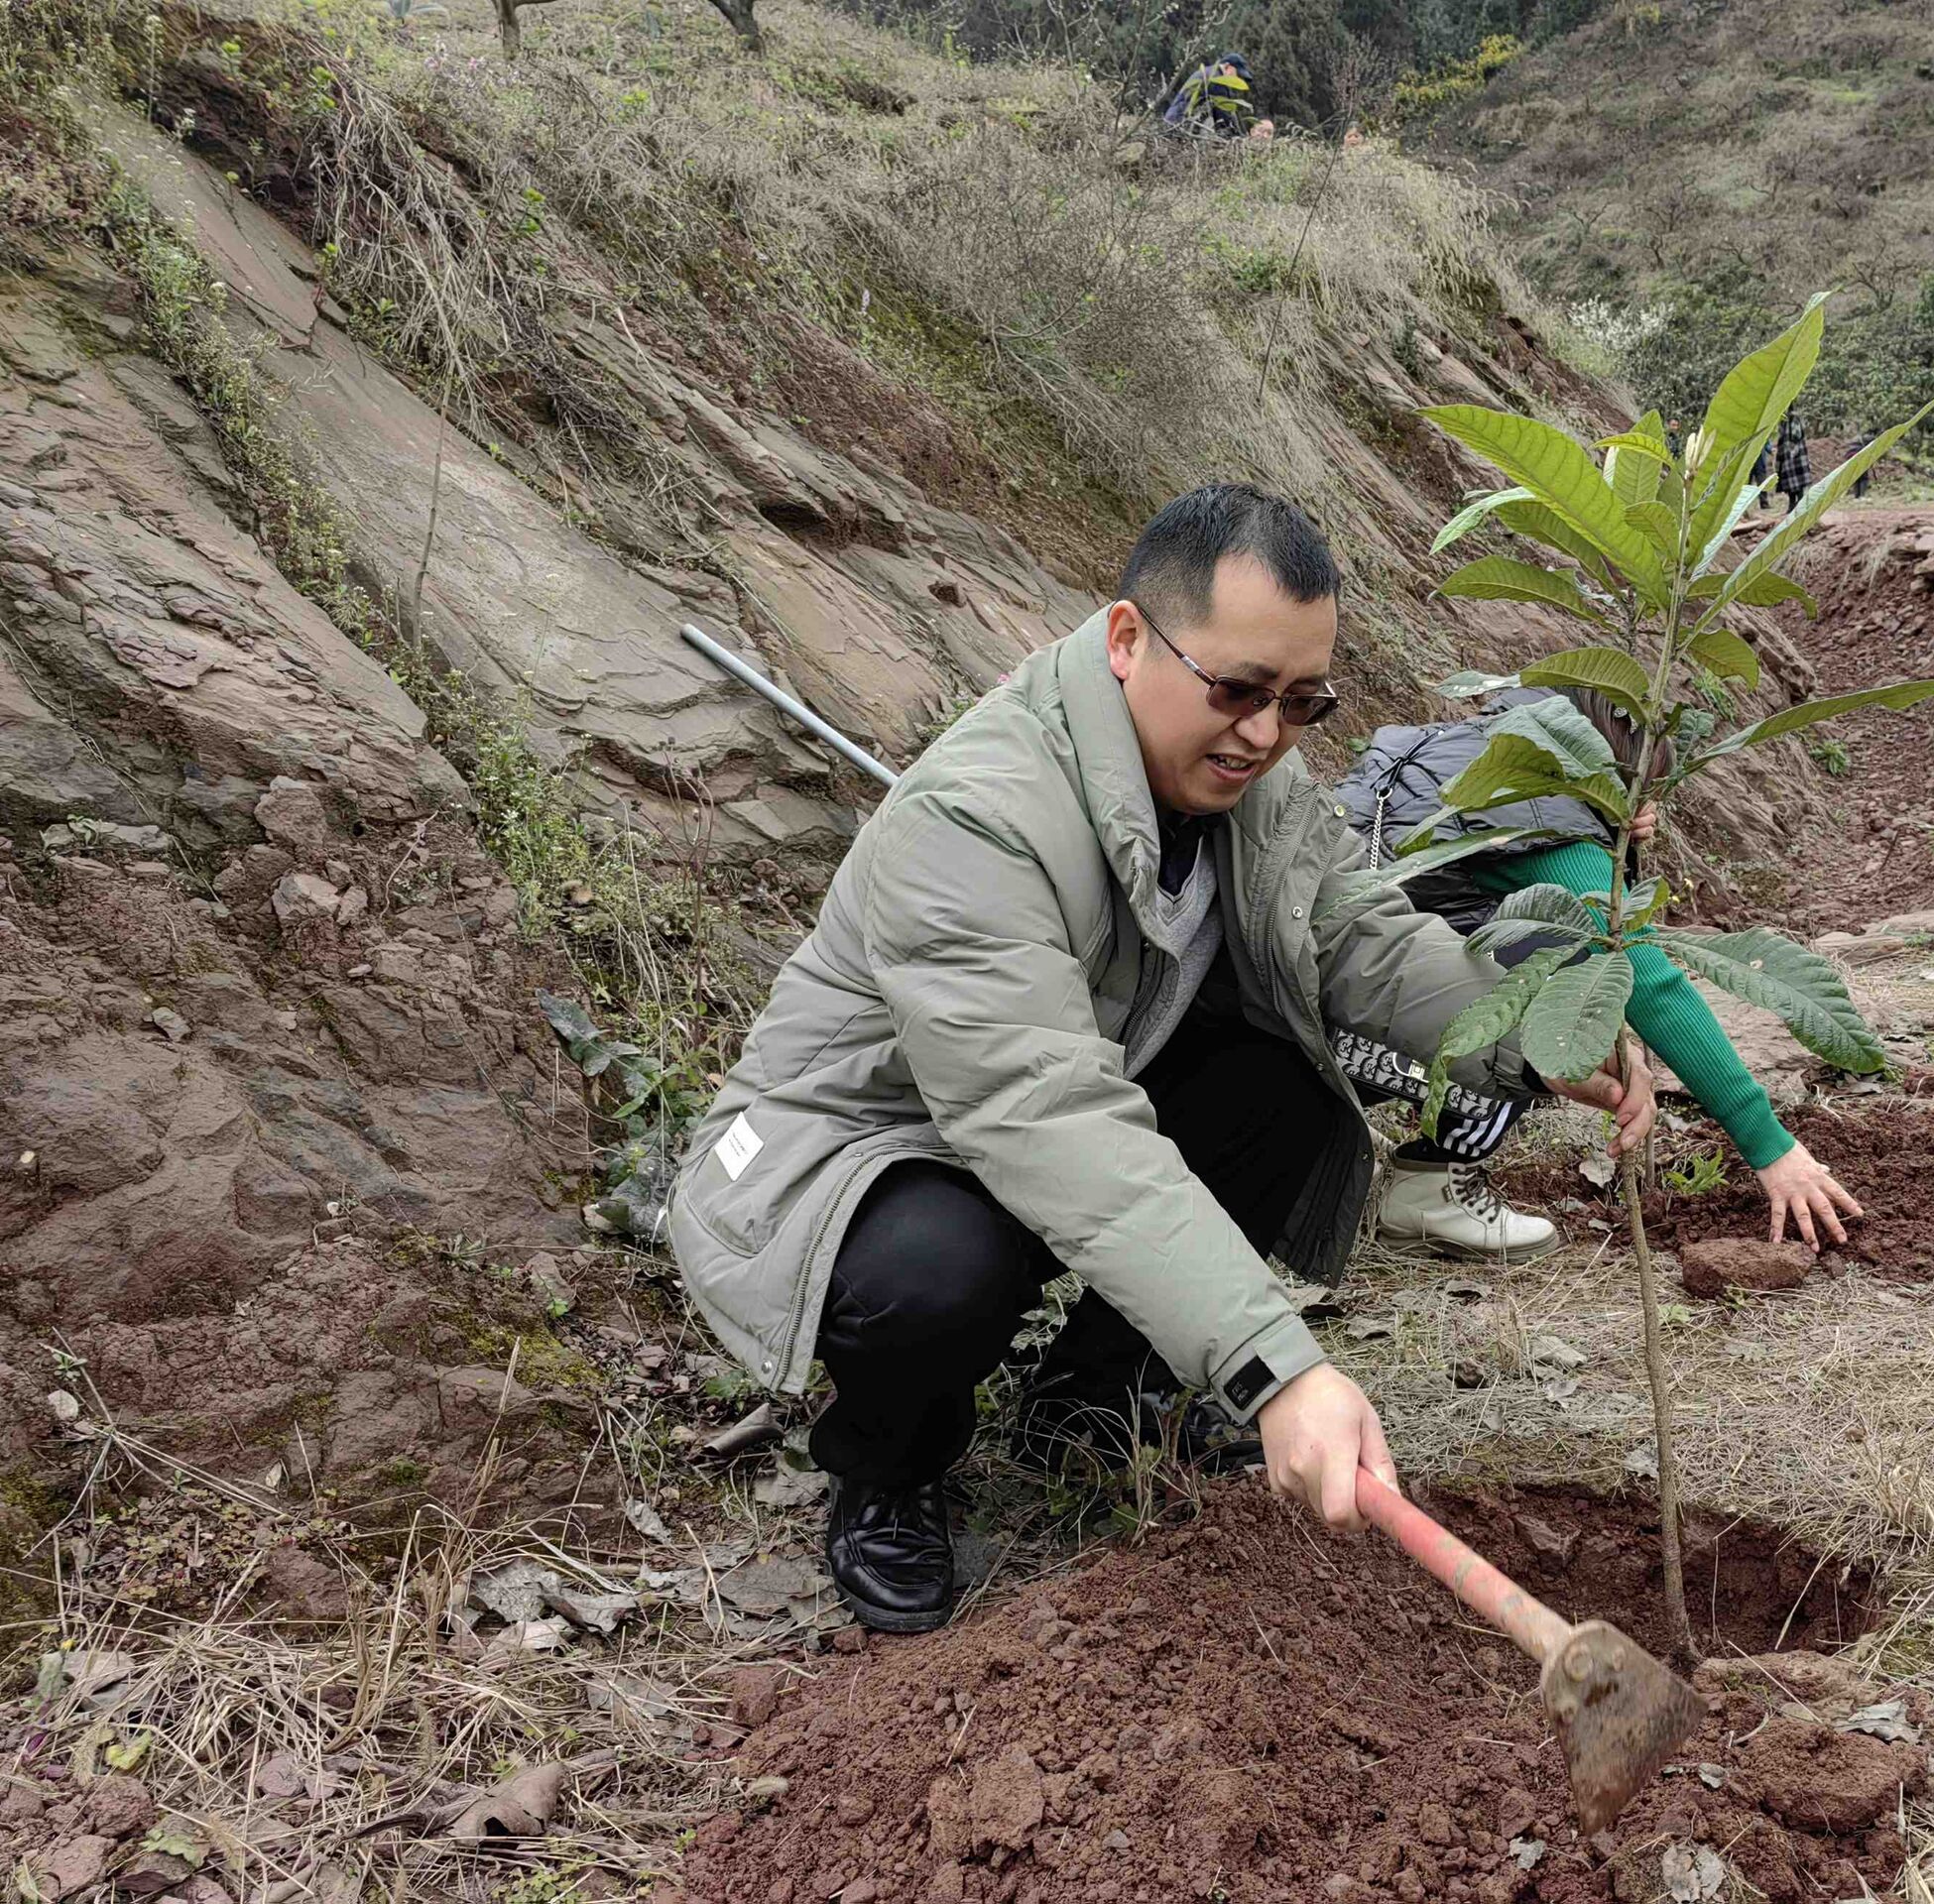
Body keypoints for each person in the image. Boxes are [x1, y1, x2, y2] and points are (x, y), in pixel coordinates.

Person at [668, 485, 1654, 1632]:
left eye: (1302, 702)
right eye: (1235, 692)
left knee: (1283, 1080)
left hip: (1054, 1103)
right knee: (934, 1276)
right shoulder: (979, 815)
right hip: (858, 1150)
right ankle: (888, 1466)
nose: (1263, 733)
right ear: (1128, 638)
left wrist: (1537, 1034)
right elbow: (1043, 1109)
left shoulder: (1250, 782)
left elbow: (1356, 942)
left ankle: (1090, 1403)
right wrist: (1272, 1367)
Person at [1335, 691, 1861, 1258]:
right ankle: (1429, 1190)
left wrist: (1608, 833)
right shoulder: (1540, 822)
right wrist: (1770, 1147)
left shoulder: (1460, 750)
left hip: (1302, 1013)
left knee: (1513, 948)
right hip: (1342, 1031)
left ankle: (1336, 1127)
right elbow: (1651, 985)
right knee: (1553, 1005)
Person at [1160, 54, 1255, 139]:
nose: (1238, 79)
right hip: (1180, 127)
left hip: (1171, 122)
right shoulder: (1217, 81)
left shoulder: (1207, 72)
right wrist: (1237, 139)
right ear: (1227, 66)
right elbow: (1224, 121)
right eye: (1237, 74)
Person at [1773, 412, 1812, 513]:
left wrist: (1791, 449)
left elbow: (1796, 435)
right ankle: (1793, 504)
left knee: (1795, 483)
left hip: (1794, 454)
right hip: (1789, 454)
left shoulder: (1793, 420)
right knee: (1792, 482)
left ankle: (1797, 504)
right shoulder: (1785, 421)